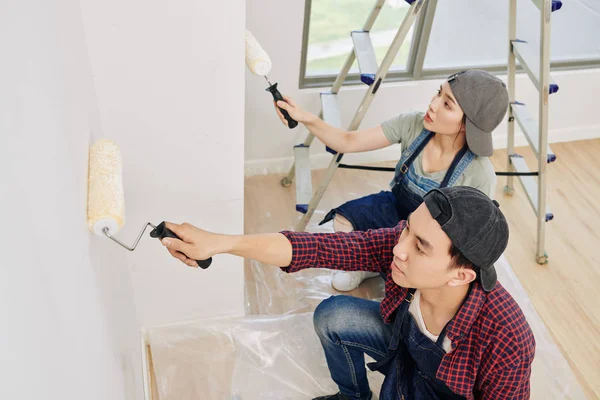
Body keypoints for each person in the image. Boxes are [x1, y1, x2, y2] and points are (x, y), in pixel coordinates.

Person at [159, 186, 535, 400]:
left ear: (461, 275)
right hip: (403, 353)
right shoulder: (398, 248)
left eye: (420, 246)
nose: (399, 249)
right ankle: (352, 397)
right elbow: (315, 249)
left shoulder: (507, 337)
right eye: (406, 230)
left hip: (443, 393)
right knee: (333, 316)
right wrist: (220, 244)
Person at [274, 70, 509, 291]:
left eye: (447, 104)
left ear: (469, 125)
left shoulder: (479, 174)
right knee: (344, 220)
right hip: (395, 208)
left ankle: (387, 265)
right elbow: (347, 142)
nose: (433, 104)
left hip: (425, 237)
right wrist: (304, 117)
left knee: (409, 281)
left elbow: (468, 241)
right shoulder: (413, 124)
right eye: (439, 93)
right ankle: (367, 266)